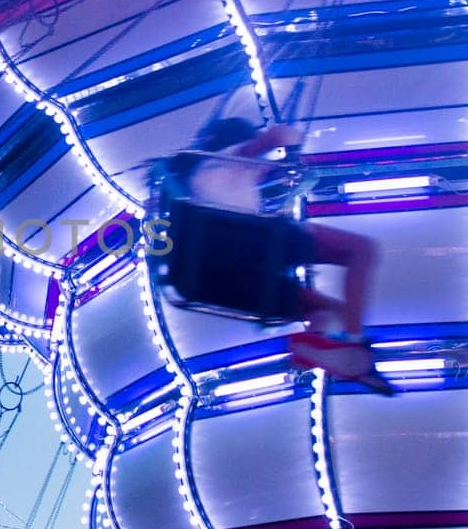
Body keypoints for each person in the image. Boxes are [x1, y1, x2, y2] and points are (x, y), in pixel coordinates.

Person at [163, 117, 391, 393]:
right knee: (360, 250)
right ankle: (354, 343)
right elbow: (282, 134)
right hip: (248, 244)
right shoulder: (233, 157)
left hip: (216, 283)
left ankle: (316, 346)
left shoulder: (195, 175)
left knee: (329, 310)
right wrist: (291, 153)